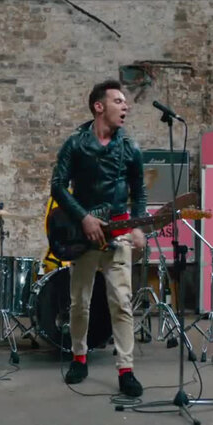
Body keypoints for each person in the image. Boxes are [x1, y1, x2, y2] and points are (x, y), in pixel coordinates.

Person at [50, 79, 147, 397]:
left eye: (125, 102)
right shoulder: (75, 143)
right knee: (80, 303)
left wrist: (138, 226)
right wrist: (84, 218)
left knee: (122, 304)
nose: (125, 106)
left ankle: (126, 370)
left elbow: (139, 192)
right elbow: (57, 186)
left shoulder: (130, 148)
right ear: (98, 106)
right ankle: (79, 357)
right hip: (83, 236)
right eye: (118, 101)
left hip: (118, 235)